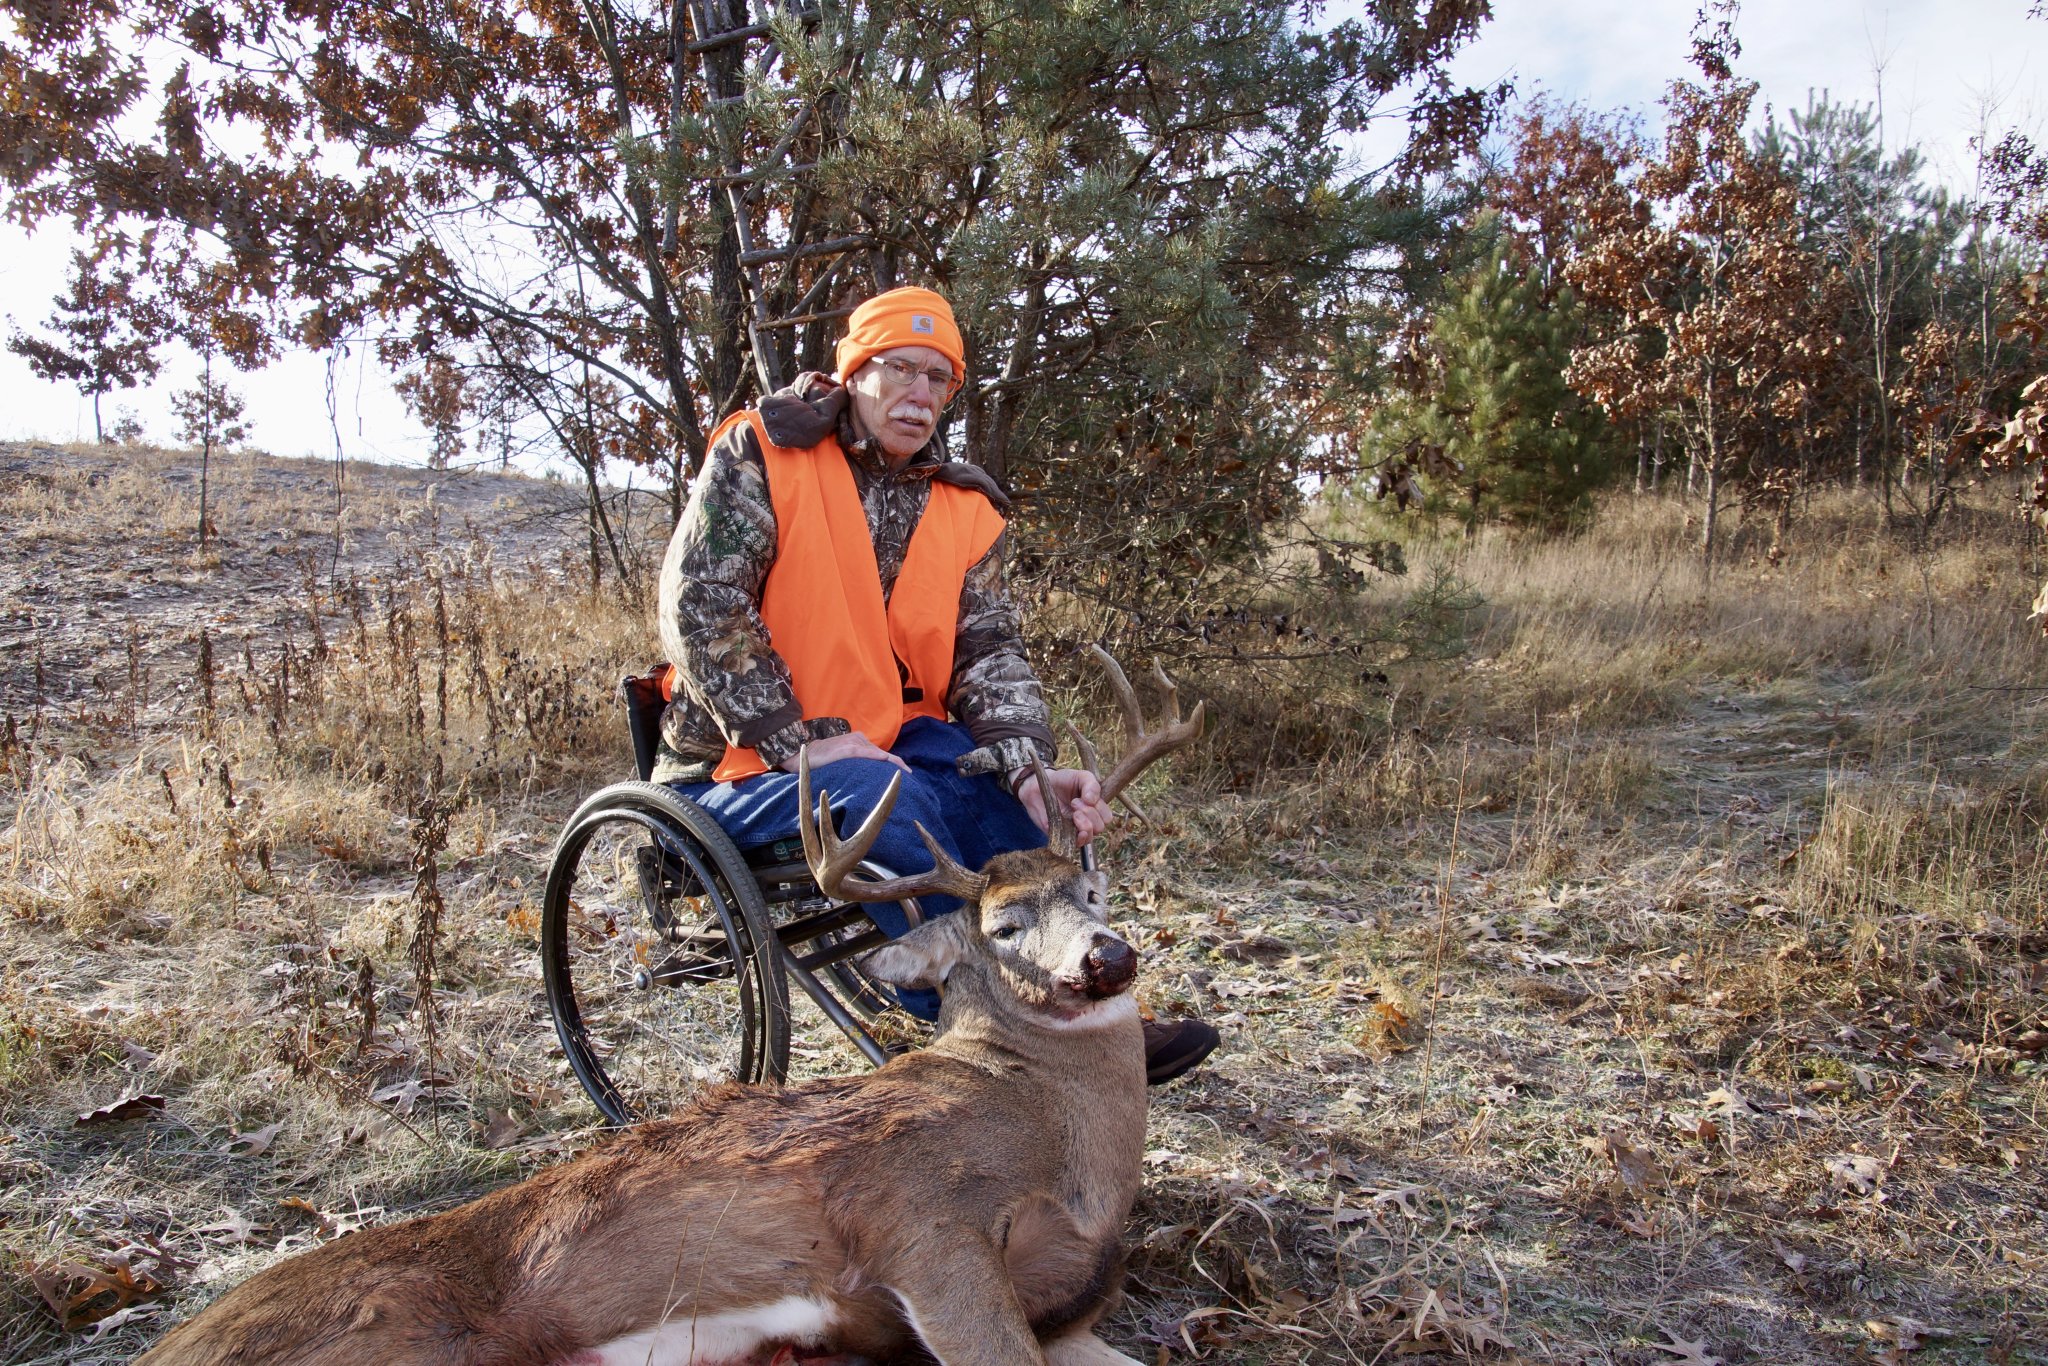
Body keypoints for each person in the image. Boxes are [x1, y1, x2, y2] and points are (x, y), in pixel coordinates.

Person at [652, 285, 1218, 1084]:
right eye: (901, 369)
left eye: (939, 379)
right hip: (735, 768)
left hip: (886, 742)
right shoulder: (762, 454)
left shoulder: (955, 502)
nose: (920, 394)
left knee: (1003, 800)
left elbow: (989, 649)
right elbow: (700, 606)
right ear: (855, 371)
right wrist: (796, 740)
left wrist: (1027, 769)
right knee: (891, 800)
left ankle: (1083, 1000)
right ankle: (993, 1023)